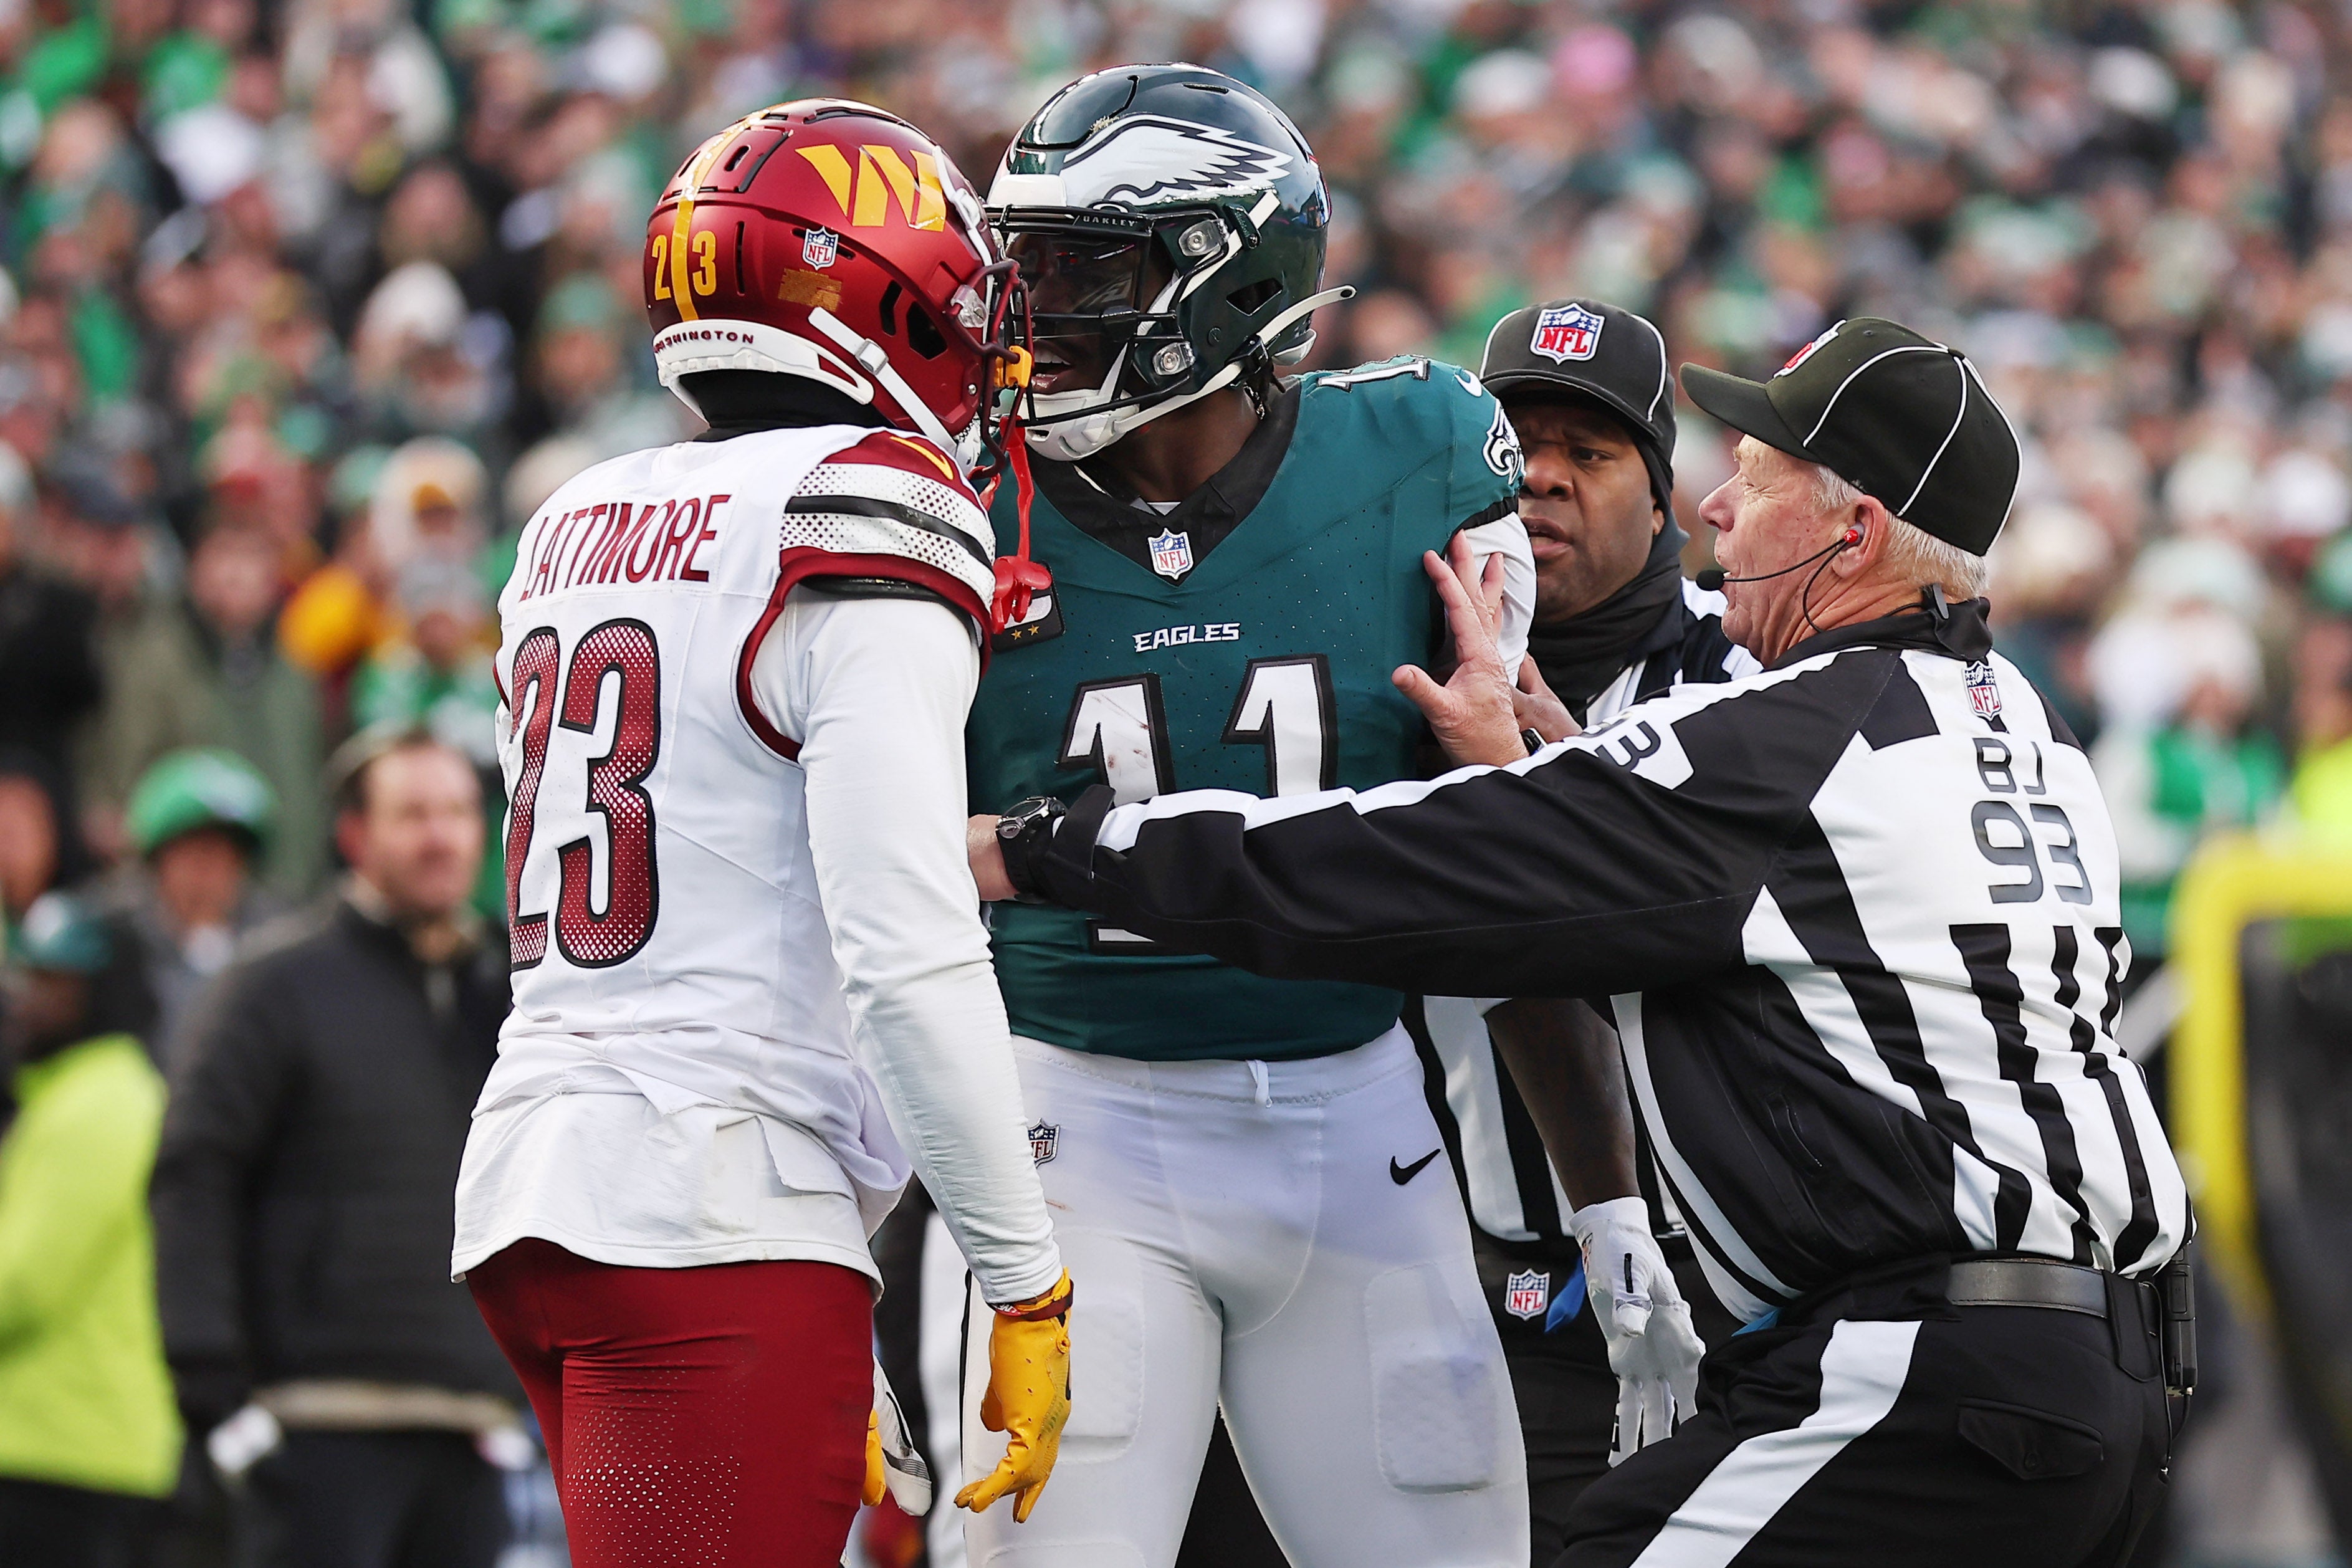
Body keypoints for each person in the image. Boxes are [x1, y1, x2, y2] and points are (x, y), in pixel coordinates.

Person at [979, 318, 2195, 1568]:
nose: (1719, 505)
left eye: (1762, 481)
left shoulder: (1788, 736)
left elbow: (1410, 862)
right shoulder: (2025, 730)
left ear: (1856, 531)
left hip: (1930, 1366)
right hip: (2108, 1365)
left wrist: (1046, 847)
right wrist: (1558, 777)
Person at [450, 100, 1069, 1568]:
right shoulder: (861, 502)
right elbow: (902, 943)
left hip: (544, 1188)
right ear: (893, 300)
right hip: (717, 1213)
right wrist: (1021, 1275)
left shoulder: (574, 514)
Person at [959, 63, 1536, 1568]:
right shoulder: (959, 494)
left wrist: (1507, 747)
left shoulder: (1418, 457)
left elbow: (1535, 814)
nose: (1034, 306)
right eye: (1026, 262)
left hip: (1357, 1119)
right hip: (1071, 1117)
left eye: (1085, 267)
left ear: (1228, 274)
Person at [1408, 299, 1757, 1562]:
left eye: (1591, 452)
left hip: (1719, 1312)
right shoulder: (1397, 664)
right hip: (1469, 1300)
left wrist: (1541, 769)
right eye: (1515, 436)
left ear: (1662, 498)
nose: (1543, 473)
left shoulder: (1744, 675)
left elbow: (1685, 918)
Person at [151, 729, 520, 1568]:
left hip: (473, 1428)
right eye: (413, 813)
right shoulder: (271, 986)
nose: (442, 837)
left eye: (460, 812)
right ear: (355, 835)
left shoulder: (513, 992)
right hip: (314, 1425)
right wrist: (214, 1392)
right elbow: (194, 1178)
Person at [0, 892, 178, 1568]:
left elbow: (20, 1286)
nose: (30, 997)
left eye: (57, 981)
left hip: (71, 1457)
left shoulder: (104, 1100)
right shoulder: (68, 1095)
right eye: (31, 974)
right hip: (61, 1452)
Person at [111, 747, 280, 1053]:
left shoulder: (279, 943)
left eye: (222, 854)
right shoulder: (114, 948)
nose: (206, 871)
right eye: (191, 853)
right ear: (158, 863)